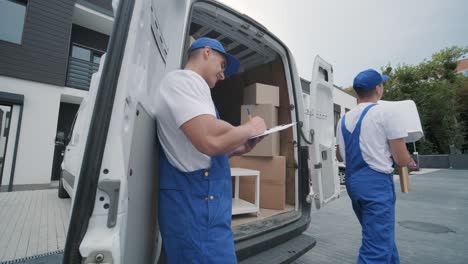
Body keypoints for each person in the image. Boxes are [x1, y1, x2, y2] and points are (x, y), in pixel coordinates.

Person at [153, 37, 266, 263]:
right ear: (206, 52)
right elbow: (209, 138)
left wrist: (239, 148)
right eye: (222, 65)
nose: (223, 75)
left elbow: (197, 151)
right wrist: (250, 127)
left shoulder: (192, 89)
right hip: (196, 208)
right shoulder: (183, 81)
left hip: (203, 208)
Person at [335, 69, 411, 264]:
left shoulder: (343, 119)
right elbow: (402, 159)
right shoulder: (386, 113)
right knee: (376, 249)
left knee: (380, 237)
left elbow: (339, 154)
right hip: (376, 185)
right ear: (378, 88)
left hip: (354, 183)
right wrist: (409, 159)